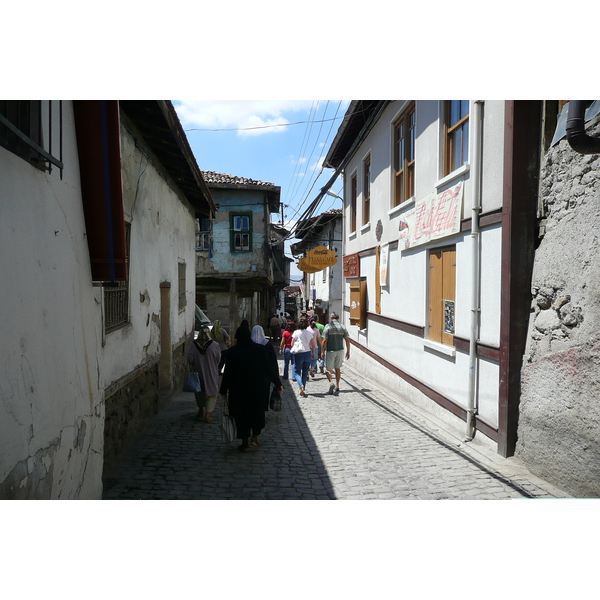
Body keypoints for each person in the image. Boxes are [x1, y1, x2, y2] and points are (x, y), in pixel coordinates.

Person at [221, 325, 283, 452]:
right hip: (258, 389)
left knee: (241, 415)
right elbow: (269, 368)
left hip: (239, 390)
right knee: (257, 413)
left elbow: (227, 372)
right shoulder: (260, 349)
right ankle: (255, 437)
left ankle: (244, 442)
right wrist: (278, 384)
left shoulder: (233, 351)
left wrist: (223, 390)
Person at [186, 327, 221, 422]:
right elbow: (218, 359)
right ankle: (208, 414)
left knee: (199, 391)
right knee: (211, 392)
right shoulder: (215, 345)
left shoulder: (194, 345)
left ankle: (201, 410)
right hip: (211, 372)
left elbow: (190, 359)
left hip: (198, 372)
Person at [321, 312, 350, 396]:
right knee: (338, 368)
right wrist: (348, 351)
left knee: (328, 370)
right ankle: (337, 385)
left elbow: (324, 340)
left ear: (331, 318)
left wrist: (322, 351)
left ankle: (331, 383)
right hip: (340, 350)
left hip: (330, 351)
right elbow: (347, 340)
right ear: (338, 318)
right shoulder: (342, 326)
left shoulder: (328, 326)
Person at [290, 316, 317, 397]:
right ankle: (303, 388)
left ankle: (301, 385)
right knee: (305, 372)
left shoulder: (296, 332)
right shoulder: (310, 333)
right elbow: (313, 345)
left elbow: (292, 344)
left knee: (297, 372)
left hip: (299, 354)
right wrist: (313, 352)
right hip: (307, 353)